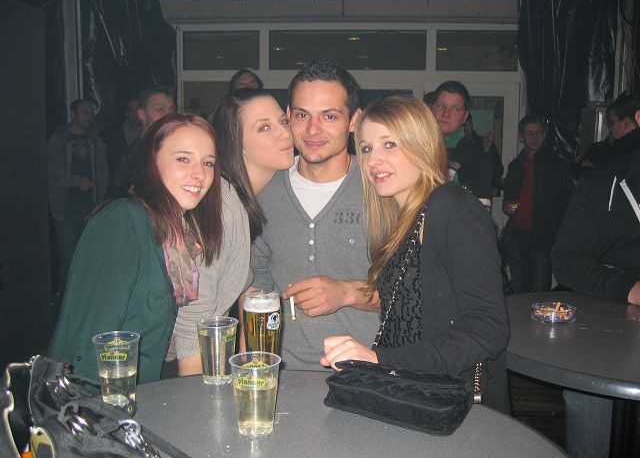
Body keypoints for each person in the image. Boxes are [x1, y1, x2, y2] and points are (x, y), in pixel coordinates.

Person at [321, 95, 510, 413]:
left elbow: (489, 327)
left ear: (421, 144)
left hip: (450, 405)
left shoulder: (452, 206)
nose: (373, 160)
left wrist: (380, 359)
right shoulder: (401, 219)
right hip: (408, 394)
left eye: (389, 145)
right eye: (366, 148)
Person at [49, 113, 223, 383]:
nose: (200, 174)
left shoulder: (174, 233)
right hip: (99, 398)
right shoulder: (124, 220)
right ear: (152, 161)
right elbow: (90, 346)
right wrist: (108, 408)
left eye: (208, 163)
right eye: (183, 159)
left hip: (140, 396)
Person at [251, 58, 380, 371]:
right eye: (302, 115)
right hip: (283, 375)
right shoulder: (264, 192)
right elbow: (256, 291)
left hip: (367, 373)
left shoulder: (381, 190)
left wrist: (346, 292)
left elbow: (414, 294)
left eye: (329, 116)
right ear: (288, 116)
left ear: (354, 120)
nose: (312, 130)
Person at [171, 88, 295, 376]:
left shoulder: (241, 199)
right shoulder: (222, 206)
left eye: (283, 121)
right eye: (264, 127)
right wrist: (200, 394)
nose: (284, 133)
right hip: (177, 366)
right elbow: (193, 321)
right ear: (237, 144)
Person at [551, 96, 640, 458]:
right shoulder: (604, 181)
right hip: (608, 332)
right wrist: (628, 286)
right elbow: (567, 260)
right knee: (587, 397)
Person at [502, 116, 574, 294]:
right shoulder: (515, 166)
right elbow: (509, 201)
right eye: (530, 133)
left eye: (539, 132)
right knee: (518, 286)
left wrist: (560, 236)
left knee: (539, 288)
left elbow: (567, 203)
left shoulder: (557, 165)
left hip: (543, 235)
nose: (535, 137)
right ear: (521, 137)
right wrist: (508, 207)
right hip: (518, 234)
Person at [47, 99, 109, 294]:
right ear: (73, 114)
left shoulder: (95, 140)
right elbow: (52, 172)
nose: (89, 117)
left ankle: (86, 299)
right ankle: (65, 302)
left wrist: (101, 197)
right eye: (84, 113)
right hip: (66, 208)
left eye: (91, 113)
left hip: (90, 205)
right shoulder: (59, 139)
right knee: (68, 258)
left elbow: (103, 171)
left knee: (90, 257)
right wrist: (76, 181)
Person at [429, 81, 497, 209]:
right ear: (430, 109)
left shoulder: (475, 158)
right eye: (440, 106)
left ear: (465, 116)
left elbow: (479, 217)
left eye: (456, 109)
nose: (446, 114)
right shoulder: (415, 151)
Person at [112, 85, 176, 194]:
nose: (168, 115)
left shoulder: (173, 148)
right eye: (160, 110)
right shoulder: (135, 155)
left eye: (171, 110)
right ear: (142, 114)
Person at [580, 92, 640, 169]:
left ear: (626, 122)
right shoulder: (600, 149)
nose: (610, 129)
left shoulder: (628, 151)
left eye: (611, 123)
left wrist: (596, 171)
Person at [103, 97, 142, 192]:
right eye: (131, 110)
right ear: (126, 113)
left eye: (137, 109)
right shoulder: (114, 137)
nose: (135, 113)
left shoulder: (150, 136)